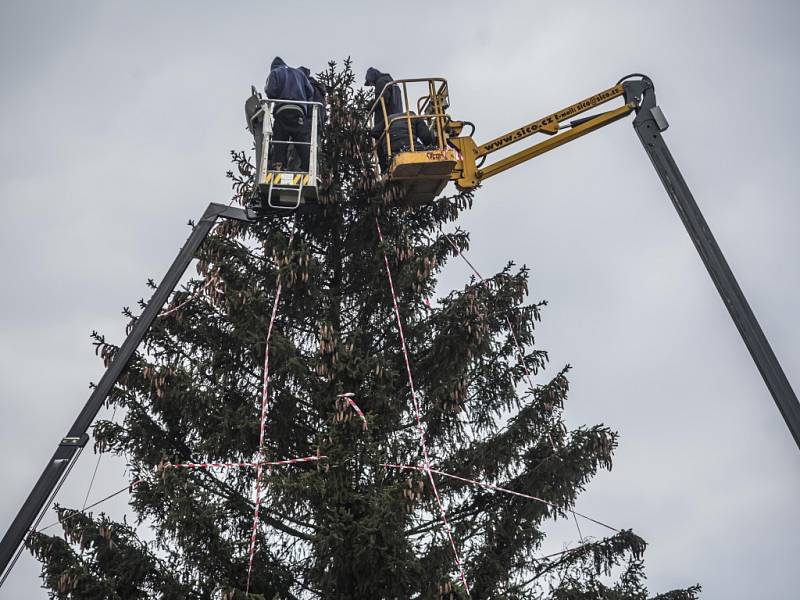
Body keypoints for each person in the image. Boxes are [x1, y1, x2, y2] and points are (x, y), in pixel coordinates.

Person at [265, 56, 314, 171]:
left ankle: (279, 165)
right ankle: (308, 167)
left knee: (280, 139)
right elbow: (310, 91)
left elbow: (270, 92)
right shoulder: (299, 74)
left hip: (282, 110)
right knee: (302, 140)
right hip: (299, 111)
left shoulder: (275, 73)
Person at [365, 67, 403, 142]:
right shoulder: (390, 82)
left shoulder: (381, 82)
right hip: (396, 116)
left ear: (372, 77)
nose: (371, 85)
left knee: (376, 134)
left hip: (387, 117)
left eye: (370, 82)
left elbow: (383, 99)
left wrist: (371, 105)